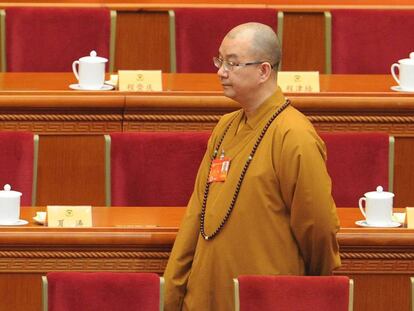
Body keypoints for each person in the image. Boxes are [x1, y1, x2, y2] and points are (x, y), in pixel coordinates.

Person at [164, 22, 341, 311]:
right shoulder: (225, 128)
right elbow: (197, 215)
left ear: (263, 71)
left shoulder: (293, 135)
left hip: (267, 299)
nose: (221, 71)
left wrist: (313, 289)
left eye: (232, 63)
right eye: (220, 61)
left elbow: (318, 227)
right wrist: (174, 292)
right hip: (207, 294)